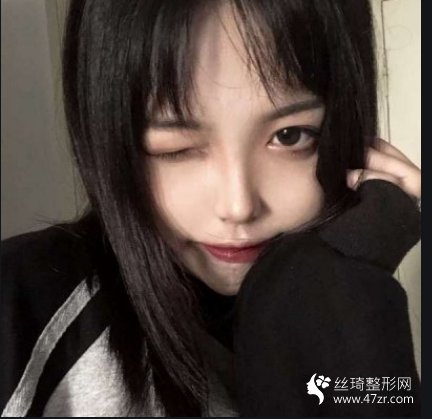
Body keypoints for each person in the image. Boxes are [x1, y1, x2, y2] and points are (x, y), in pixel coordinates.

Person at [1, 0, 421, 416]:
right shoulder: (21, 306)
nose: (238, 206)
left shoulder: (340, 286)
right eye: (176, 148)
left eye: (291, 136)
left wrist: (340, 288)